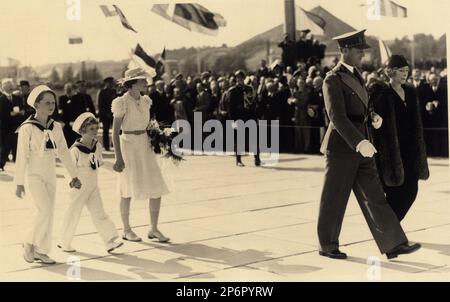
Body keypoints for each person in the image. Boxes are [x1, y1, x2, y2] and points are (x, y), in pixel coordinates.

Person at [317, 30, 421, 260]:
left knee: (375, 197)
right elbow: (337, 117)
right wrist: (359, 141)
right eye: (358, 51)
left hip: (363, 144)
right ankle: (327, 244)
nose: (362, 55)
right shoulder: (332, 79)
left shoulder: (357, 76)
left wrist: (372, 116)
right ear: (345, 51)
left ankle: (394, 243)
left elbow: (361, 106)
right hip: (343, 147)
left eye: (363, 51)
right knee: (334, 198)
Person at [14, 85, 82, 264]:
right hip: (34, 174)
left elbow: (64, 152)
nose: (52, 106)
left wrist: (73, 175)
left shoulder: (56, 127)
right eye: (47, 103)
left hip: (50, 173)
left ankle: (41, 250)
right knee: (42, 209)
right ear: (36, 105)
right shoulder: (27, 128)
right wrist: (19, 182)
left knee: (49, 211)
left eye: (53, 102)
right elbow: (21, 155)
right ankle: (29, 242)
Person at [111, 67, 170, 243]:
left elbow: (149, 123)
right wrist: (118, 157)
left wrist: (158, 134)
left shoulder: (146, 101)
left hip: (145, 145)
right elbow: (115, 133)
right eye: (142, 80)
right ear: (132, 83)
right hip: (128, 145)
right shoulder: (121, 102)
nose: (146, 82)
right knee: (126, 189)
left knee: (156, 186)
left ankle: (153, 229)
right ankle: (126, 229)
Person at [372, 55, 430, 221]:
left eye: (406, 71)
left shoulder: (411, 92)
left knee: (411, 191)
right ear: (391, 72)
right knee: (395, 194)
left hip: (411, 151)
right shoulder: (382, 94)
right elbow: (375, 122)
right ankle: (391, 234)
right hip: (391, 153)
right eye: (401, 71)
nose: (405, 74)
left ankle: (389, 230)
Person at [59, 112, 123, 253]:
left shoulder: (97, 146)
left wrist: (114, 168)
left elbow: (100, 162)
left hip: (93, 185)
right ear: (82, 131)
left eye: (96, 128)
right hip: (79, 185)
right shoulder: (75, 149)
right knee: (73, 213)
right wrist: (72, 180)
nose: (95, 132)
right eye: (91, 129)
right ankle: (64, 242)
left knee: (99, 212)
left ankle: (109, 240)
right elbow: (68, 167)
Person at [0, 78, 26, 171]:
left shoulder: (17, 98)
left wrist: (22, 112)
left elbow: (23, 109)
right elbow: (2, 114)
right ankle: (1, 163)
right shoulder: (1, 99)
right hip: (5, 127)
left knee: (17, 145)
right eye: (9, 86)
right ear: (4, 87)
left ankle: (18, 164)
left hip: (16, 125)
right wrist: (11, 114)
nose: (11, 87)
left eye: (11, 86)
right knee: (5, 146)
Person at [97, 77, 117, 151]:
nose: (111, 84)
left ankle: (114, 144)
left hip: (113, 114)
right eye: (110, 83)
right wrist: (106, 113)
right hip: (105, 115)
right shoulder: (102, 92)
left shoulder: (114, 91)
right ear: (107, 83)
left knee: (116, 130)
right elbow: (100, 105)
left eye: (112, 82)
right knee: (106, 130)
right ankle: (106, 146)